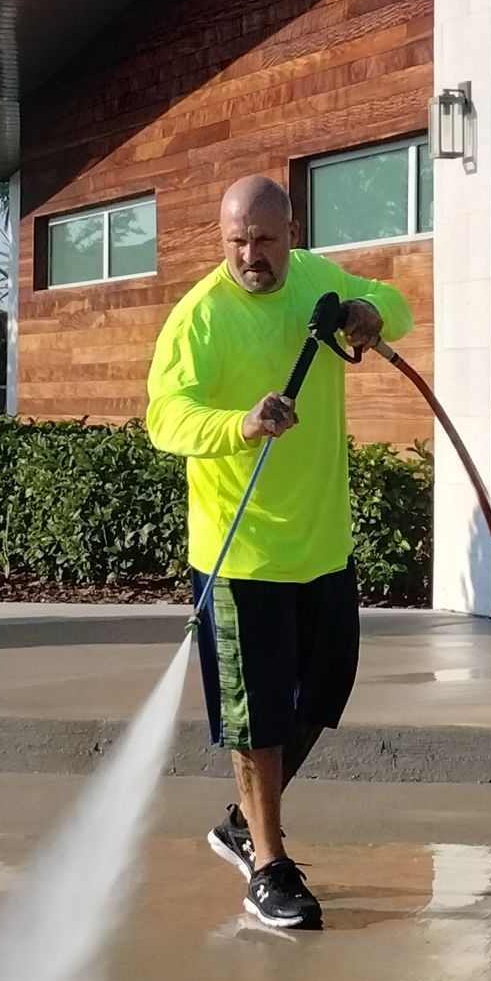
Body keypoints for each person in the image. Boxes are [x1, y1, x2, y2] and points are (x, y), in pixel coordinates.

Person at [146, 173, 411, 933]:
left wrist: (367, 313)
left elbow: (398, 306)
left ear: (290, 231)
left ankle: (242, 819)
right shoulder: (201, 316)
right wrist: (241, 424)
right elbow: (166, 417)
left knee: (324, 692)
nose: (250, 256)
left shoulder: (319, 281)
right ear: (221, 238)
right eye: (236, 242)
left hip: (323, 541)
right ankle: (267, 863)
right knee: (255, 716)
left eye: (263, 240)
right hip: (242, 554)